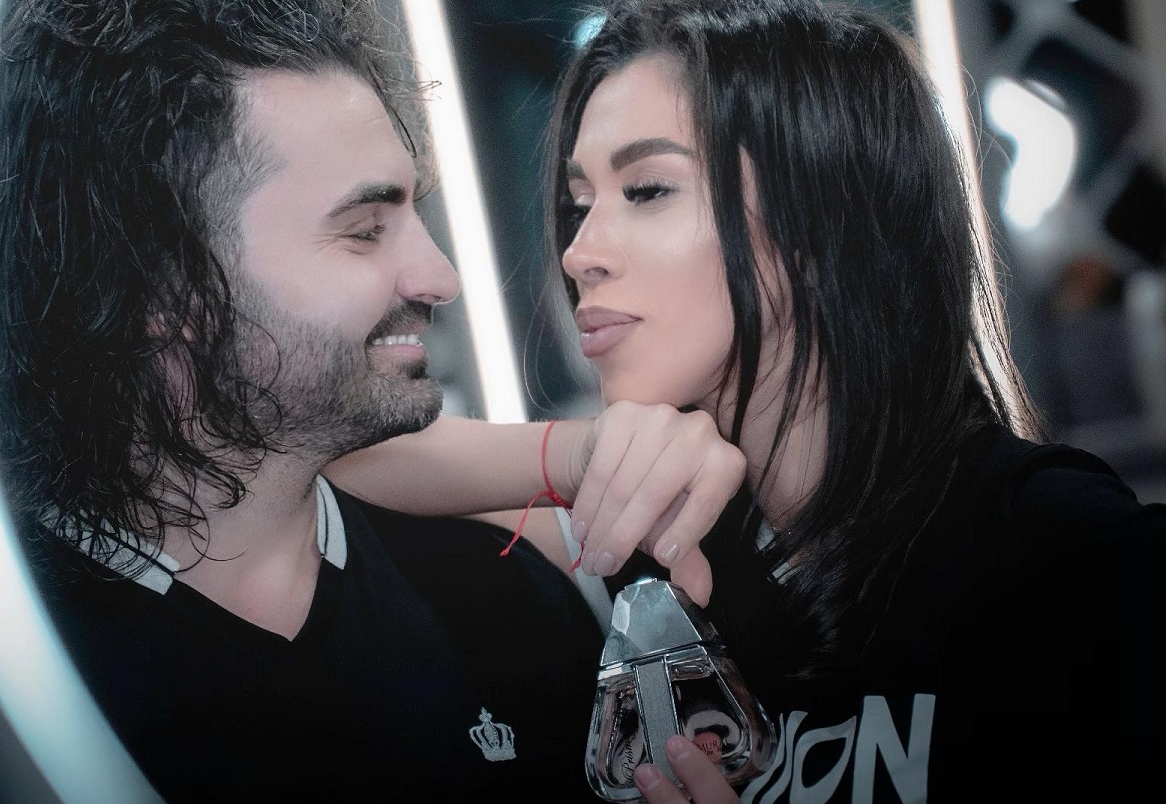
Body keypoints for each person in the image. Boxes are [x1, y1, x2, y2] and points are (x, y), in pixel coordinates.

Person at [326, 0, 1166, 800]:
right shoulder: (666, 536)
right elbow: (333, 445)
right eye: (578, 204)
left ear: (821, 221)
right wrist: (576, 454)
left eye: (647, 190)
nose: (580, 252)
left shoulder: (1060, 551)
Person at [0, 0, 748, 800]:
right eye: (364, 230)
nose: (440, 277)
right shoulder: (21, 675)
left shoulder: (506, 607)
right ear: (162, 286)